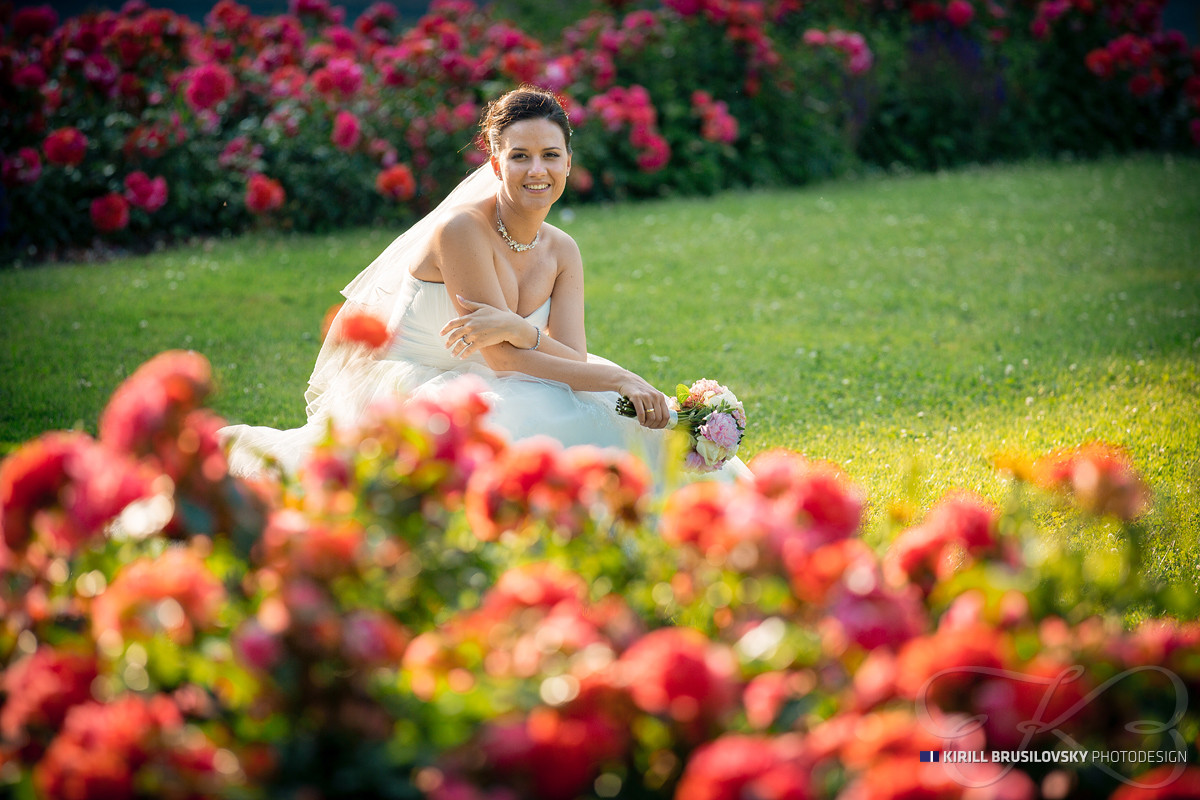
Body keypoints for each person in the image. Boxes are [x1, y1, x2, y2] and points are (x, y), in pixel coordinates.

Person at [220, 87, 749, 482]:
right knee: (522, 425)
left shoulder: (562, 249)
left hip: (508, 373)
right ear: (496, 163)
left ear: (568, 162)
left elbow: (569, 356)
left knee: (625, 424)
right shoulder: (461, 230)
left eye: (550, 155)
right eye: (519, 156)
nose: (536, 170)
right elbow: (502, 361)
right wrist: (608, 375)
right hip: (423, 383)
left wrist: (543, 341)